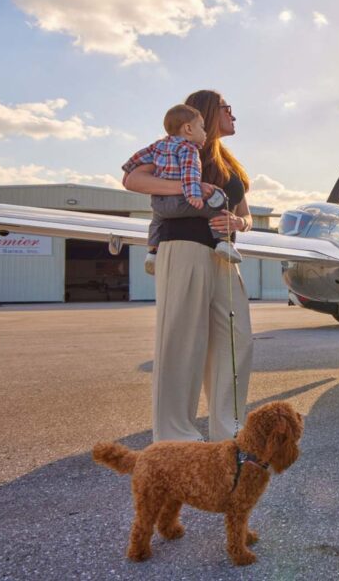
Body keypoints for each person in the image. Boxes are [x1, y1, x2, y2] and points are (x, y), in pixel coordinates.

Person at [123, 90, 254, 443]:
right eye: (227, 108)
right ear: (207, 113)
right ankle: (175, 436)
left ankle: (229, 431)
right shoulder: (174, 148)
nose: (233, 115)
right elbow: (133, 179)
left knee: (236, 341)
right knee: (182, 341)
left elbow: (246, 216)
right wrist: (189, 187)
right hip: (183, 247)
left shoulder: (230, 164)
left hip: (223, 255)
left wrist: (237, 224)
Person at [122, 104, 242, 275]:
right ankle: (223, 242)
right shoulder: (189, 149)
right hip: (183, 210)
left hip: (160, 203)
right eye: (201, 127)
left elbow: (138, 157)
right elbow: (190, 173)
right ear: (188, 129)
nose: (204, 132)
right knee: (215, 210)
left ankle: (152, 253)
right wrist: (194, 193)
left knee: (156, 222)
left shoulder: (158, 145)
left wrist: (128, 167)